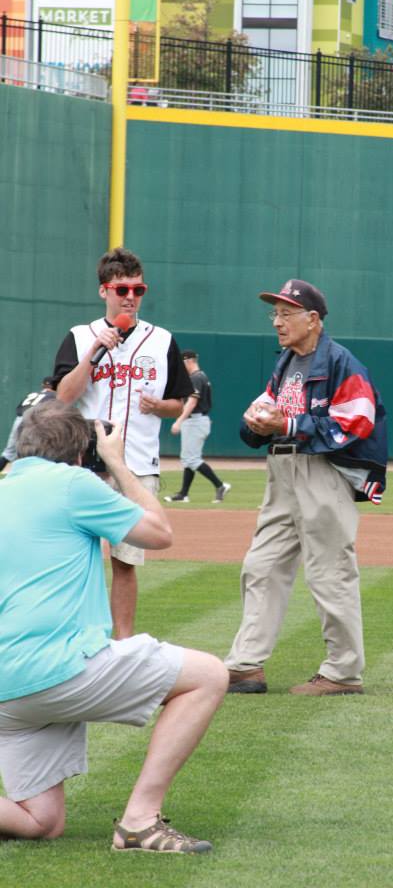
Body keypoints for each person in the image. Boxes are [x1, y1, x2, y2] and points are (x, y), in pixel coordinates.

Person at [0, 400, 228, 851]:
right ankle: (139, 822)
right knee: (208, 675)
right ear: (80, 453)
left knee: (41, 822)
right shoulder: (71, 482)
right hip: (56, 670)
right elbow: (159, 533)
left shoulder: (5, 486)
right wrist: (119, 464)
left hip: (9, 691)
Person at [225, 279, 388, 696]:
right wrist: (257, 421)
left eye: (285, 313)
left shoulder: (340, 362)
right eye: (274, 313)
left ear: (312, 319)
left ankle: (343, 673)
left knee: (330, 572)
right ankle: (246, 666)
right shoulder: (287, 362)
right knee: (261, 566)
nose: (277, 322)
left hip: (322, 472)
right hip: (282, 470)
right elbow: (272, 412)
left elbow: (358, 421)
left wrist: (289, 424)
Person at [53, 248, 193, 639]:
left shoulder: (161, 340)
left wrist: (161, 405)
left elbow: (178, 403)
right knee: (75, 558)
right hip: (82, 465)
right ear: (105, 291)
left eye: (138, 288)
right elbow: (63, 396)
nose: (130, 296)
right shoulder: (81, 337)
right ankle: (75, 637)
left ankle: (123, 644)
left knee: (126, 561)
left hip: (136, 466)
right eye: (122, 288)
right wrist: (95, 353)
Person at [164, 349, 231, 504]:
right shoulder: (201, 376)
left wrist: (179, 420)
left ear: (189, 361)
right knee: (189, 459)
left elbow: (192, 402)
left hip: (195, 420)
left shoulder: (195, 377)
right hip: (198, 420)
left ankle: (220, 485)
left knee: (191, 459)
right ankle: (183, 494)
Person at [0, 376, 57, 472]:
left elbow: (19, 409)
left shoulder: (32, 394)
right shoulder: (53, 396)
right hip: (35, 421)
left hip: (19, 420)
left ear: (43, 385)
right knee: (40, 455)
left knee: (8, 454)